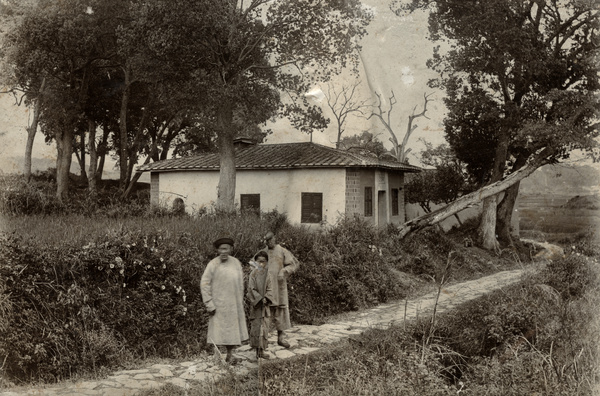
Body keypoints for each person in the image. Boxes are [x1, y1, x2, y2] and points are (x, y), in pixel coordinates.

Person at [200, 237, 248, 365]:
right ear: (217, 250)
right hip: (218, 304)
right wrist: (209, 302)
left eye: (226, 248)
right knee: (218, 331)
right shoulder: (213, 264)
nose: (223, 251)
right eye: (221, 249)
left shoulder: (236, 263)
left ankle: (230, 356)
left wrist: (240, 300)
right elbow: (204, 284)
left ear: (231, 249)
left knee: (232, 331)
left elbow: (240, 283)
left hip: (233, 304)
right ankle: (217, 356)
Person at [262, 231, 299, 348]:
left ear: (275, 238)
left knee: (281, 311)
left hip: (279, 286)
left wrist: (284, 271)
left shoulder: (283, 251)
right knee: (265, 313)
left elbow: (294, 264)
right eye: (267, 240)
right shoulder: (263, 252)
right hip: (267, 287)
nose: (269, 242)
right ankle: (264, 340)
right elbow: (254, 264)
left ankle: (281, 338)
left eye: (270, 239)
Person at [247, 250, 274, 360]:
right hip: (256, 307)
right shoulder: (252, 275)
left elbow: (271, 289)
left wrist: (266, 298)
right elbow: (251, 289)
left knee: (264, 329)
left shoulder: (268, 275)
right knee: (256, 328)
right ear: (255, 262)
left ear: (267, 262)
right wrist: (259, 298)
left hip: (265, 306)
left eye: (264, 262)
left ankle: (262, 351)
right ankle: (257, 350)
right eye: (259, 262)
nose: (261, 264)